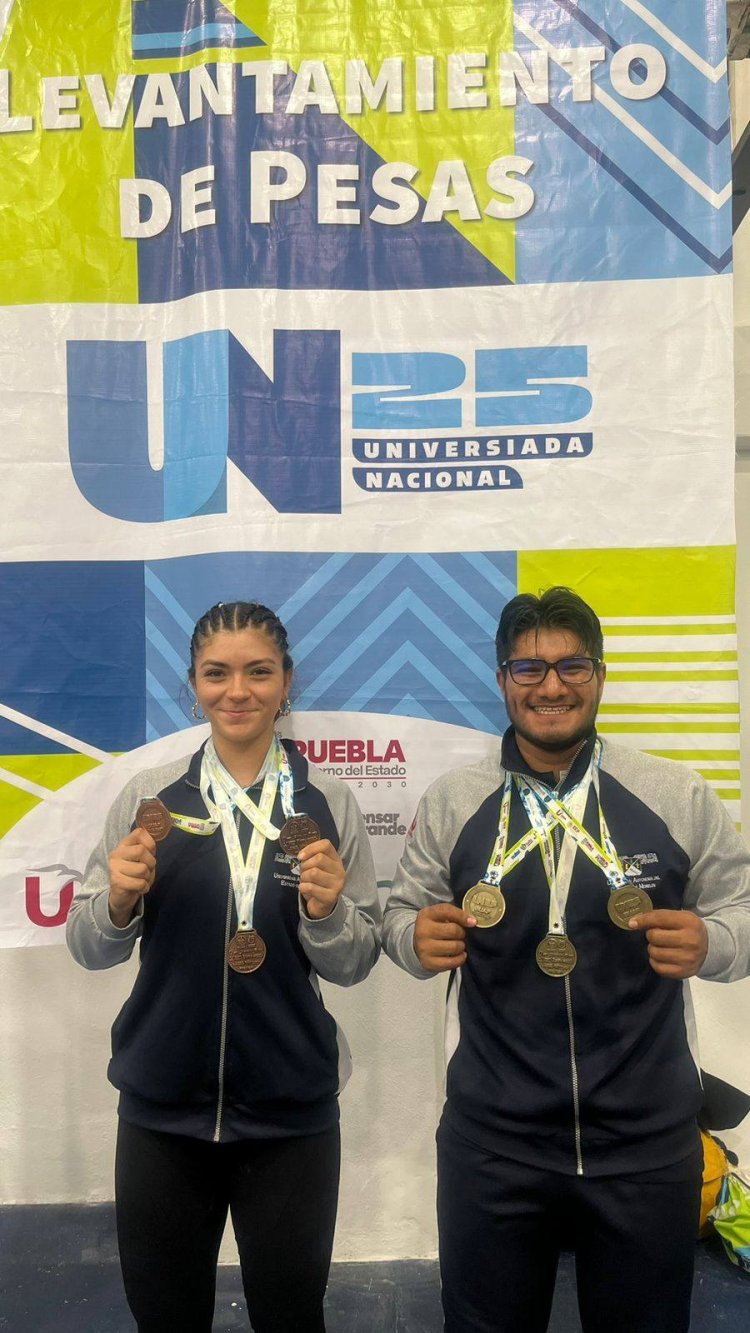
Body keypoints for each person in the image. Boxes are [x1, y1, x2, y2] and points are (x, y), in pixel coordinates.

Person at [382, 586, 750, 1333]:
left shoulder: (673, 794)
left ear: (601, 675)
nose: (551, 685)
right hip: (496, 1144)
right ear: (502, 682)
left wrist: (714, 941)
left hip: (646, 1144)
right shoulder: (456, 802)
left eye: (571, 664)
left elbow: (743, 905)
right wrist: (411, 939)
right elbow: (396, 913)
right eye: (529, 667)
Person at [66, 600, 381, 1333]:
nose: (237, 690)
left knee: (291, 1317)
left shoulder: (328, 805)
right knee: (167, 1318)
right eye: (217, 673)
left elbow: (358, 959)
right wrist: (115, 901)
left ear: (286, 681)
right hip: (160, 1113)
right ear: (195, 683)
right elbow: (89, 945)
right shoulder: (149, 807)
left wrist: (329, 913)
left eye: (257, 671)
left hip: (291, 1116)